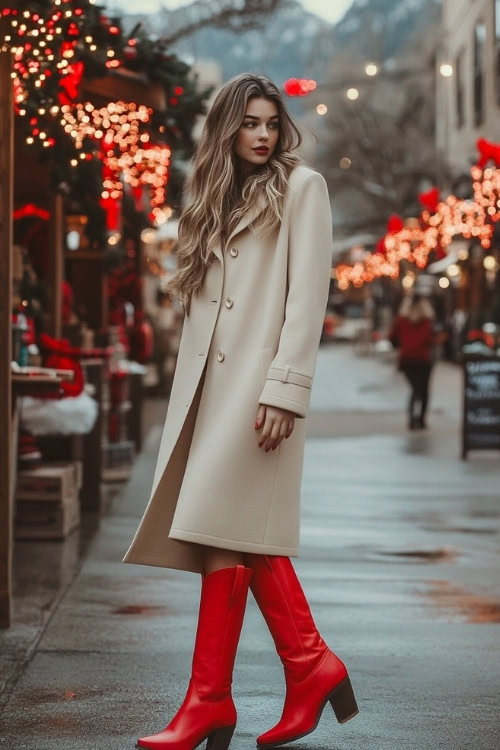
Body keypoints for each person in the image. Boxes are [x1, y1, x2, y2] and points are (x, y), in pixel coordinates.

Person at [122, 73, 359, 750]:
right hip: (212, 398)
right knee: (226, 533)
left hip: (259, 395)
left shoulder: (302, 188)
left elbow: (306, 297)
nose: (262, 135)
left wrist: (286, 387)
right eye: (249, 123)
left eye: (271, 122)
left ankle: (230, 695)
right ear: (227, 130)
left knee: (228, 530)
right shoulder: (210, 200)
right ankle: (272, 679)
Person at [389, 294, 435, 430]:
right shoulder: (426, 321)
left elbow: (392, 338)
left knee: (415, 389)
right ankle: (421, 420)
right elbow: (429, 339)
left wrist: (402, 345)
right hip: (422, 359)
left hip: (407, 359)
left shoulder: (401, 321)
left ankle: (412, 419)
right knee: (423, 389)